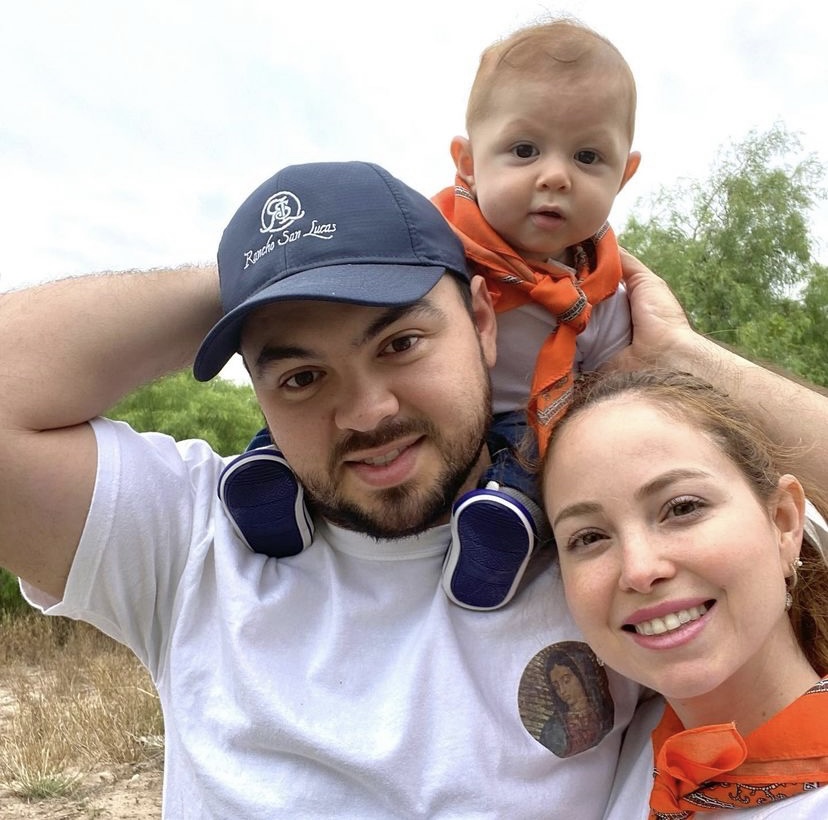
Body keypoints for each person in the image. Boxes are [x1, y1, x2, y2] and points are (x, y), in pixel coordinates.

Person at [3, 160, 828, 819]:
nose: (366, 412)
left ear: (481, 319)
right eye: (298, 375)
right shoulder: (186, 538)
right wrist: (259, 276)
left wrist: (682, 355)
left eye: (399, 342)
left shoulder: (596, 541)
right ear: (255, 391)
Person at [218, 16, 641, 613]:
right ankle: (267, 467)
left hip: (521, 429)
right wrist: (240, 282)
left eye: (589, 156)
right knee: (308, 365)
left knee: (544, 450)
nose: (554, 175)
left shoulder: (606, 291)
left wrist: (677, 357)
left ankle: (503, 531)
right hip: (447, 426)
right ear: (466, 162)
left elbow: (620, 382)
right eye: (524, 150)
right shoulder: (426, 237)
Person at [541, 369, 828, 818]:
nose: (639, 570)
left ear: (783, 523)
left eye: (683, 507)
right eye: (589, 538)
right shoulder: (626, 755)